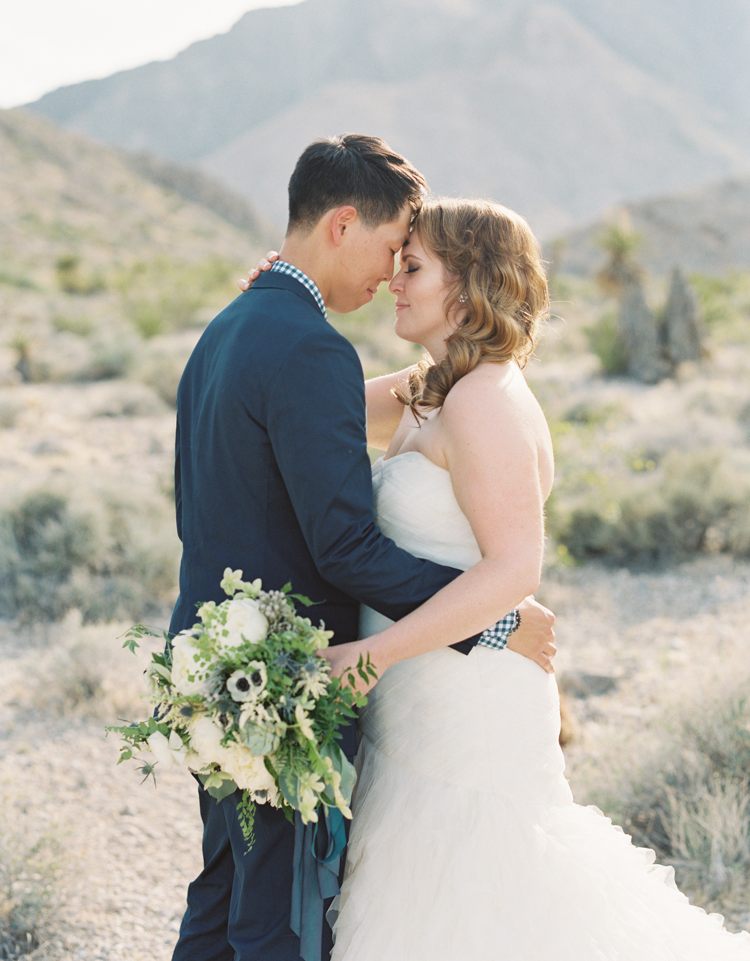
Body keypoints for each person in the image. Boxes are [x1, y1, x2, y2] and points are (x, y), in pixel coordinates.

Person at [296, 196, 749, 960]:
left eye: (413, 267)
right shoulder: (428, 387)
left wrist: (373, 656)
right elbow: (306, 406)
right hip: (423, 695)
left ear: (469, 287)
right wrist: (272, 305)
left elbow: (515, 569)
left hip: (469, 704)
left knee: (479, 902)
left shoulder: (484, 402)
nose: (393, 282)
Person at [170, 135, 555, 961]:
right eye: (393, 253)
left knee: (231, 895)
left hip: (222, 654)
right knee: (274, 917)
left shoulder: (235, 325)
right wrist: (495, 625)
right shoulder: (307, 344)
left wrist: (279, 285)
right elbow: (345, 547)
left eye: (412, 265)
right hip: (280, 668)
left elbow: (505, 550)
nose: (390, 277)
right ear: (344, 224)